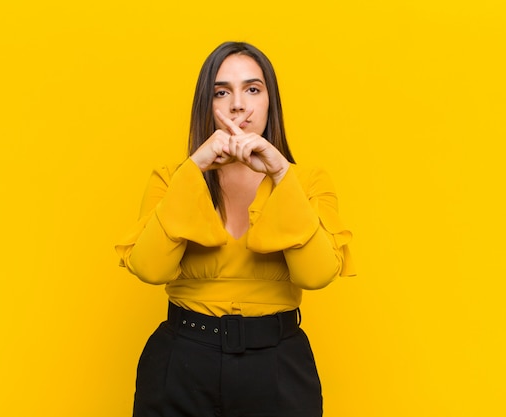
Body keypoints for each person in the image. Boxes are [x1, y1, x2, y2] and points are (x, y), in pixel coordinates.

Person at [115, 41, 355, 417]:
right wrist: (193, 169)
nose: (238, 104)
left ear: (269, 102)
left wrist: (280, 173)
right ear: (205, 105)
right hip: (182, 362)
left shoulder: (307, 181)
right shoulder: (172, 178)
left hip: (277, 366)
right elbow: (149, 268)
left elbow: (318, 274)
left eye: (252, 89)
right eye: (221, 92)